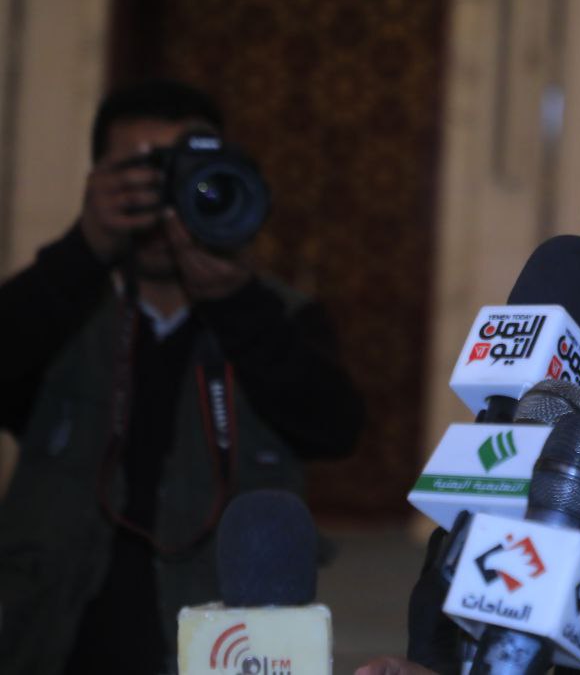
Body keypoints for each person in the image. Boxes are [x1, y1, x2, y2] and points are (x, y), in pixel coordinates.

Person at [0, 79, 364, 675]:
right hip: (54, 637)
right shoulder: (63, 304)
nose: (165, 199)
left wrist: (237, 305)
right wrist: (82, 250)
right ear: (97, 183)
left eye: (184, 175)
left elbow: (335, 428)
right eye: (143, 175)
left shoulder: (277, 315)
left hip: (220, 643)